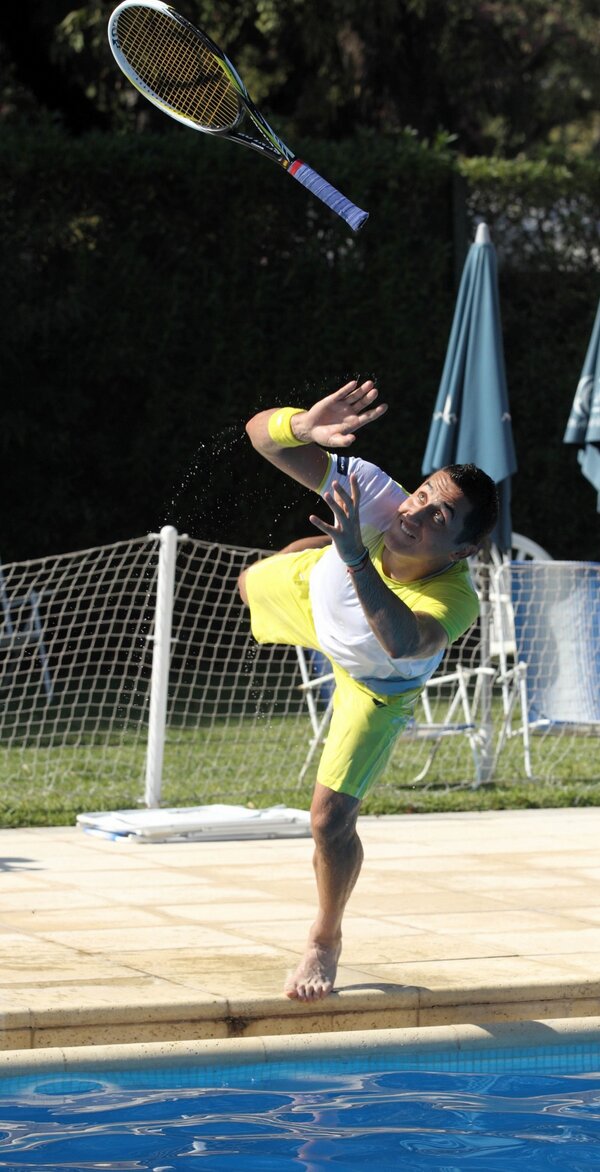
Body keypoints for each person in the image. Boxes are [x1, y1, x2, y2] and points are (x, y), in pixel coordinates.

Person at [238, 378, 498, 1003]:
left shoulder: (456, 597)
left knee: (330, 820)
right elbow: (256, 434)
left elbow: (401, 644)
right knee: (247, 582)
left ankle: (325, 938)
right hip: (318, 593)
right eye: (422, 495)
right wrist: (301, 429)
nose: (414, 514)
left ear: (465, 547)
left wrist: (354, 557)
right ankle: (310, 555)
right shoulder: (381, 497)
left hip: (374, 681)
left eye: (438, 517)